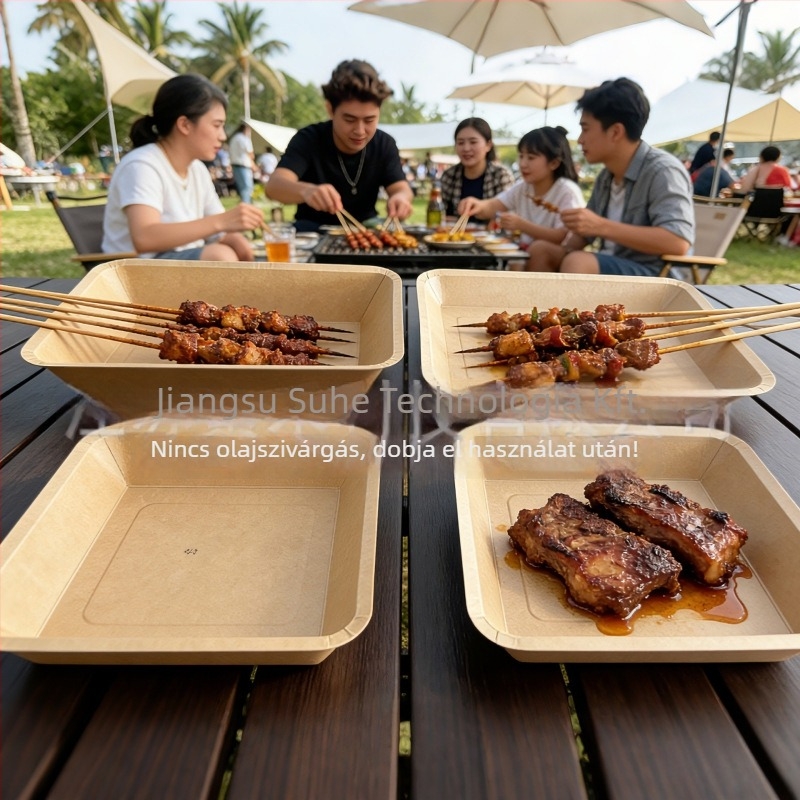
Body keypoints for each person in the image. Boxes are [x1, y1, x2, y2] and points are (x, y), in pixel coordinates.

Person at [527, 78, 694, 277]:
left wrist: (600, 225)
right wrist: (575, 231)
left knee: (578, 261)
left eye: (585, 129)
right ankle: (538, 308)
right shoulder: (607, 176)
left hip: (657, 275)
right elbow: (584, 235)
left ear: (615, 132)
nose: (580, 139)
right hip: (613, 266)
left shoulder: (663, 171)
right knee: (541, 250)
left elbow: (677, 242)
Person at [102, 74, 263, 261]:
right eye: (217, 126)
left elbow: (221, 231)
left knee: (241, 248)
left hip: (175, 262)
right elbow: (145, 237)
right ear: (185, 125)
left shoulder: (197, 169)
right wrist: (223, 222)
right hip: (134, 271)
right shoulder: (142, 165)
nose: (223, 136)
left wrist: (241, 246)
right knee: (219, 255)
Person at [264, 59, 414, 231]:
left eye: (369, 120)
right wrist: (306, 191)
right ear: (330, 109)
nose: (360, 131)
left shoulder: (384, 144)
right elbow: (274, 187)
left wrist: (401, 198)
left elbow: (401, 188)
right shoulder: (309, 138)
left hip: (365, 228)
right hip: (314, 227)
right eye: (349, 120)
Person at [457, 126, 584, 260]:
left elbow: (562, 236)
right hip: (526, 253)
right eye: (521, 156)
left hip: (558, 256)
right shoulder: (522, 188)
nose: (523, 164)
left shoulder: (566, 191)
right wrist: (476, 204)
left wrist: (521, 225)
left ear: (553, 163)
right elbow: (493, 206)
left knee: (539, 248)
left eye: (531, 157)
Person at [440, 118, 514, 218]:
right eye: (461, 143)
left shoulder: (500, 175)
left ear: (488, 145)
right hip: (454, 233)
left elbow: (508, 214)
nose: (466, 148)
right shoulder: (449, 176)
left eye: (473, 142)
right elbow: (440, 214)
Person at [229, 122, 257, 204]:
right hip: (244, 165)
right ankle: (246, 204)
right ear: (246, 129)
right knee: (247, 187)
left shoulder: (234, 138)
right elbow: (250, 153)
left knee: (242, 188)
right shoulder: (244, 139)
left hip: (235, 165)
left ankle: (243, 204)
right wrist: (253, 165)